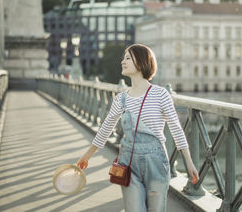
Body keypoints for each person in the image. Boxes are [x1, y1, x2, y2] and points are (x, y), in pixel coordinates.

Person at [77, 44, 199, 212]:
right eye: (123, 58)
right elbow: (106, 128)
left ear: (141, 63)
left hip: (156, 163)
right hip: (128, 163)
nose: (123, 61)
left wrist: (189, 162)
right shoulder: (121, 99)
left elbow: (176, 128)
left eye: (128, 58)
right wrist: (87, 156)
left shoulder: (161, 94)